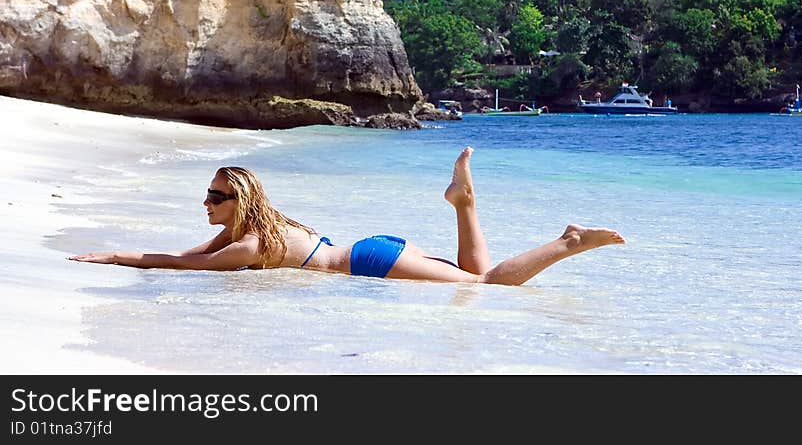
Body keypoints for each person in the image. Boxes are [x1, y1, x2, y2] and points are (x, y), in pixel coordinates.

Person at [69, 147, 625, 285]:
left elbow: (181, 266)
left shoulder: (251, 246)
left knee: (486, 287)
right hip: (369, 253)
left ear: (239, 202)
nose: (206, 204)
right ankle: (464, 203)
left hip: (371, 263)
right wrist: (122, 252)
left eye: (215, 197)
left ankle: (568, 241)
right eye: (207, 194)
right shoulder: (255, 229)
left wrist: (119, 257)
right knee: (469, 282)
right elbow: (186, 253)